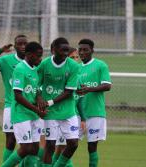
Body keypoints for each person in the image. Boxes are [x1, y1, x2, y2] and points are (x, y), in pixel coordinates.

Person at [0, 35, 28, 164]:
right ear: (14, 46)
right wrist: (0, 51)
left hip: (29, 107)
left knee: (28, 142)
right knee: (10, 140)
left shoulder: (33, 62)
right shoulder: (6, 61)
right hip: (11, 105)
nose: (23, 46)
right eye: (20, 44)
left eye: (25, 43)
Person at [37, 37, 80, 167]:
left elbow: (68, 93)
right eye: (62, 50)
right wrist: (39, 98)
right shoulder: (44, 64)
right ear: (53, 50)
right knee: (50, 145)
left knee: (73, 143)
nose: (66, 54)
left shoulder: (73, 66)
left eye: (67, 50)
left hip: (68, 111)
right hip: (50, 113)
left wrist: (48, 102)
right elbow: (36, 85)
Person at [1, 41, 45, 167]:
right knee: (26, 148)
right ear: (30, 55)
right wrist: (36, 110)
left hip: (34, 115)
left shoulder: (36, 69)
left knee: (35, 149)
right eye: (38, 55)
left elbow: (36, 90)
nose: (40, 59)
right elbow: (18, 96)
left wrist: (39, 99)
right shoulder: (20, 69)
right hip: (21, 114)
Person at [76, 39, 112, 167]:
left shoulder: (100, 65)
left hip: (95, 112)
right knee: (69, 145)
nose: (82, 52)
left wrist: (89, 89)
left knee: (92, 147)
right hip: (76, 114)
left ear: (92, 50)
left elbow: (107, 86)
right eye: (80, 49)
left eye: (85, 49)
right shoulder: (77, 67)